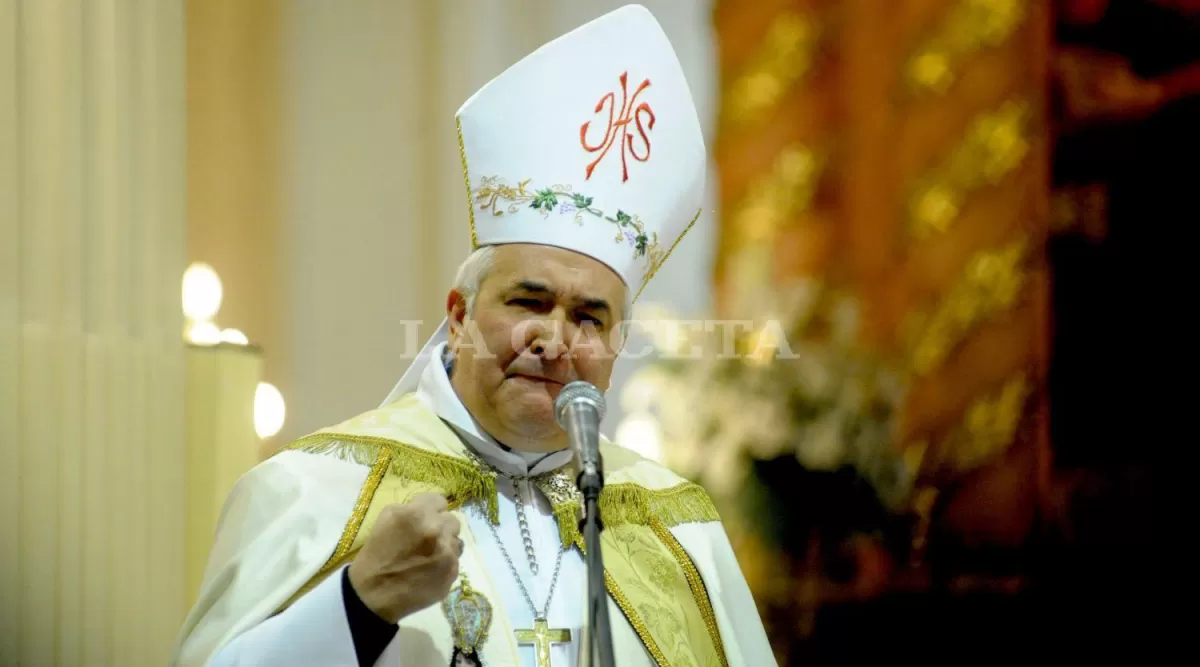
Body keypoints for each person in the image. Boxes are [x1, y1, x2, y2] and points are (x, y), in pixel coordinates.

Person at [170, 5, 775, 667]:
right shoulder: (318, 491)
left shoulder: (674, 526)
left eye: (589, 317)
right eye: (529, 300)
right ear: (458, 315)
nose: (554, 337)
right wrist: (357, 601)